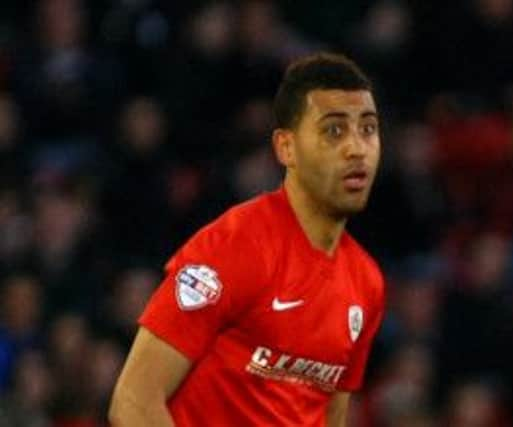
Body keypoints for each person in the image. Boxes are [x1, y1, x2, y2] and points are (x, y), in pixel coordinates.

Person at [108, 52, 385, 426]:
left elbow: (329, 418)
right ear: (286, 148)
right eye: (334, 130)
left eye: (367, 129)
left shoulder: (366, 283)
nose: (356, 148)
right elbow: (134, 401)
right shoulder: (234, 247)